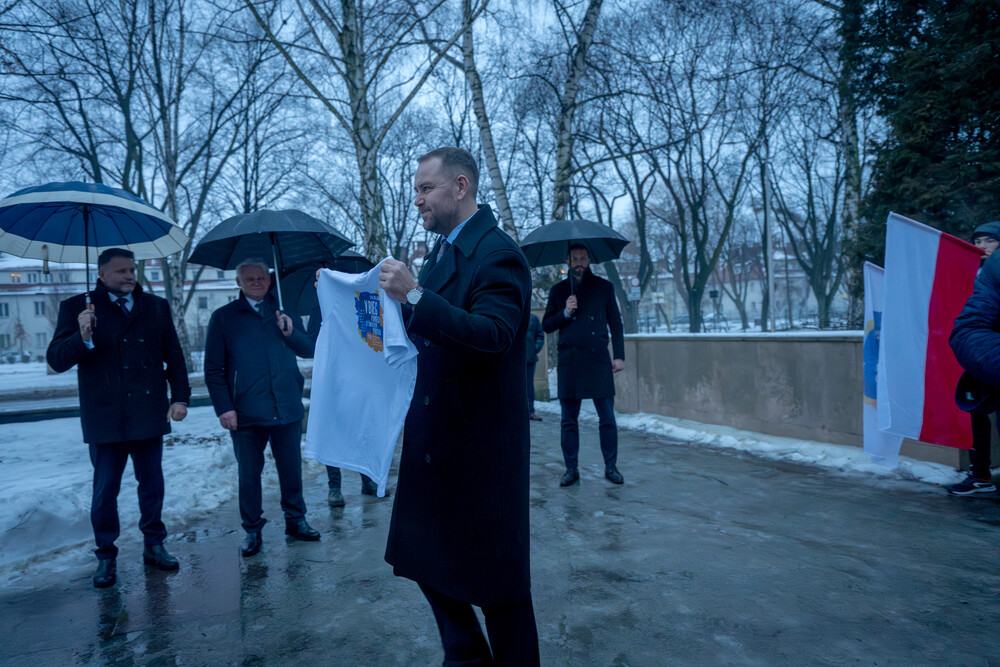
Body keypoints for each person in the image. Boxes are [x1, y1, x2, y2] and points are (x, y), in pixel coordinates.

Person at [379, 146, 539, 664]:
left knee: (501, 595)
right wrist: (366, 298)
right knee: (426, 561)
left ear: (460, 187)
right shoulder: (445, 252)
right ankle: (466, 658)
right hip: (438, 441)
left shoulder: (498, 254)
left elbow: (493, 334)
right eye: (417, 190)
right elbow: (424, 330)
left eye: (426, 189)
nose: (418, 200)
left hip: (479, 452)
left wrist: (418, 297)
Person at [46, 248, 190, 588]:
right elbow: (56, 358)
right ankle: (106, 556)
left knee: (152, 485)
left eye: (132, 270)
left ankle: (154, 545)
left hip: (148, 411)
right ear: (101, 275)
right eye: (121, 271)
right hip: (105, 416)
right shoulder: (77, 307)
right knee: (105, 491)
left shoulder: (155, 307)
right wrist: (81, 336)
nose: (129, 276)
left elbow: (175, 356)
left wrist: (180, 397)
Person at [204, 259, 320, 557]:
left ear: (269, 281)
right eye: (250, 278)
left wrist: (291, 332)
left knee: (292, 470)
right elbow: (214, 369)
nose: (257, 282)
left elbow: (309, 349)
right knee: (249, 475)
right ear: (238, 283)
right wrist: (224, 408)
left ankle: (296, 521)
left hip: (286, 408)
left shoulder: (283, 310)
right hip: (246, 413)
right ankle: (252, 530)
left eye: (262, 278)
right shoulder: (224, 318)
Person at [543, 243, 626, 487]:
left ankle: (611, 467)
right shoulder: (558, 291)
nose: (579, 262)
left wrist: (619, 356)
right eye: (574, 258)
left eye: (583, 258)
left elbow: (616, 324)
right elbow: (547, 325)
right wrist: (565, 313)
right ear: (567, 262)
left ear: (589, 260)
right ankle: (571, 469)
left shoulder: (604, 288)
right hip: (569, 362)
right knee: (568, 420)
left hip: (598, 360)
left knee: (607, 418)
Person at [304, 306, 380, 507]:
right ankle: (335, 488)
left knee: (362, 428)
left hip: (359, 374)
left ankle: (367, 480)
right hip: (332, 375)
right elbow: (312, 340)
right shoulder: (321, 305)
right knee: (333, 432)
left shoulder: (357, 301)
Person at [949, 221, 1000, 495]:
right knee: (976, 417)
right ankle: (979, 474)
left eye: (988, 240)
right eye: (977, 240)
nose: (981, 246)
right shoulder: (969, 274)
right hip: (980, 359)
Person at [527, 313, 545, 421]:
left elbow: (540, 335)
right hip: (513, 359)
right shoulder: (512, 313)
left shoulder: (533, 318)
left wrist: (534, 349)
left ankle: (530, 411)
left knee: (528, 386)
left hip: (529, 358)